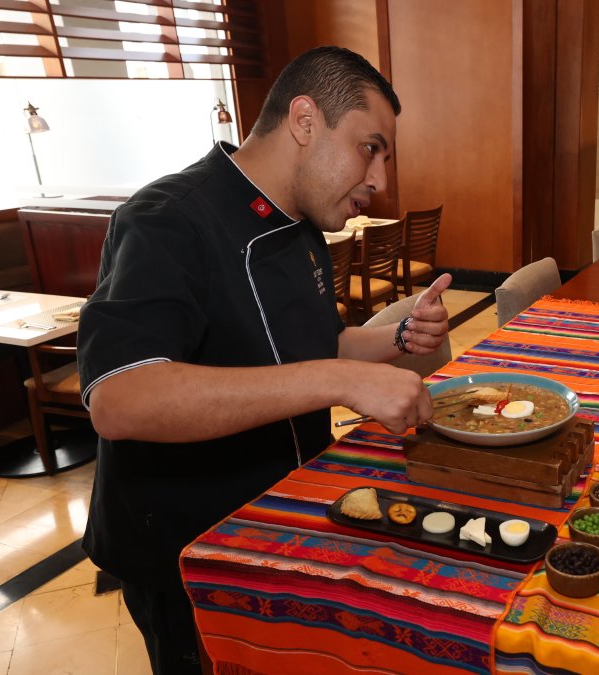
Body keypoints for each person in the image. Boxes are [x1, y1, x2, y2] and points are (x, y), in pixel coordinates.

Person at [77, 46, 452, 674]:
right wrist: (340, 380)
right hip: (188, 547)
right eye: (371, 147)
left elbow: (307, 350)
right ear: (305, 121)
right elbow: (120, 398)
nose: (380, 179)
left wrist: (404, 335)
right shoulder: (167, 218)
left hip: (282, 516)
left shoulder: (300, 222)